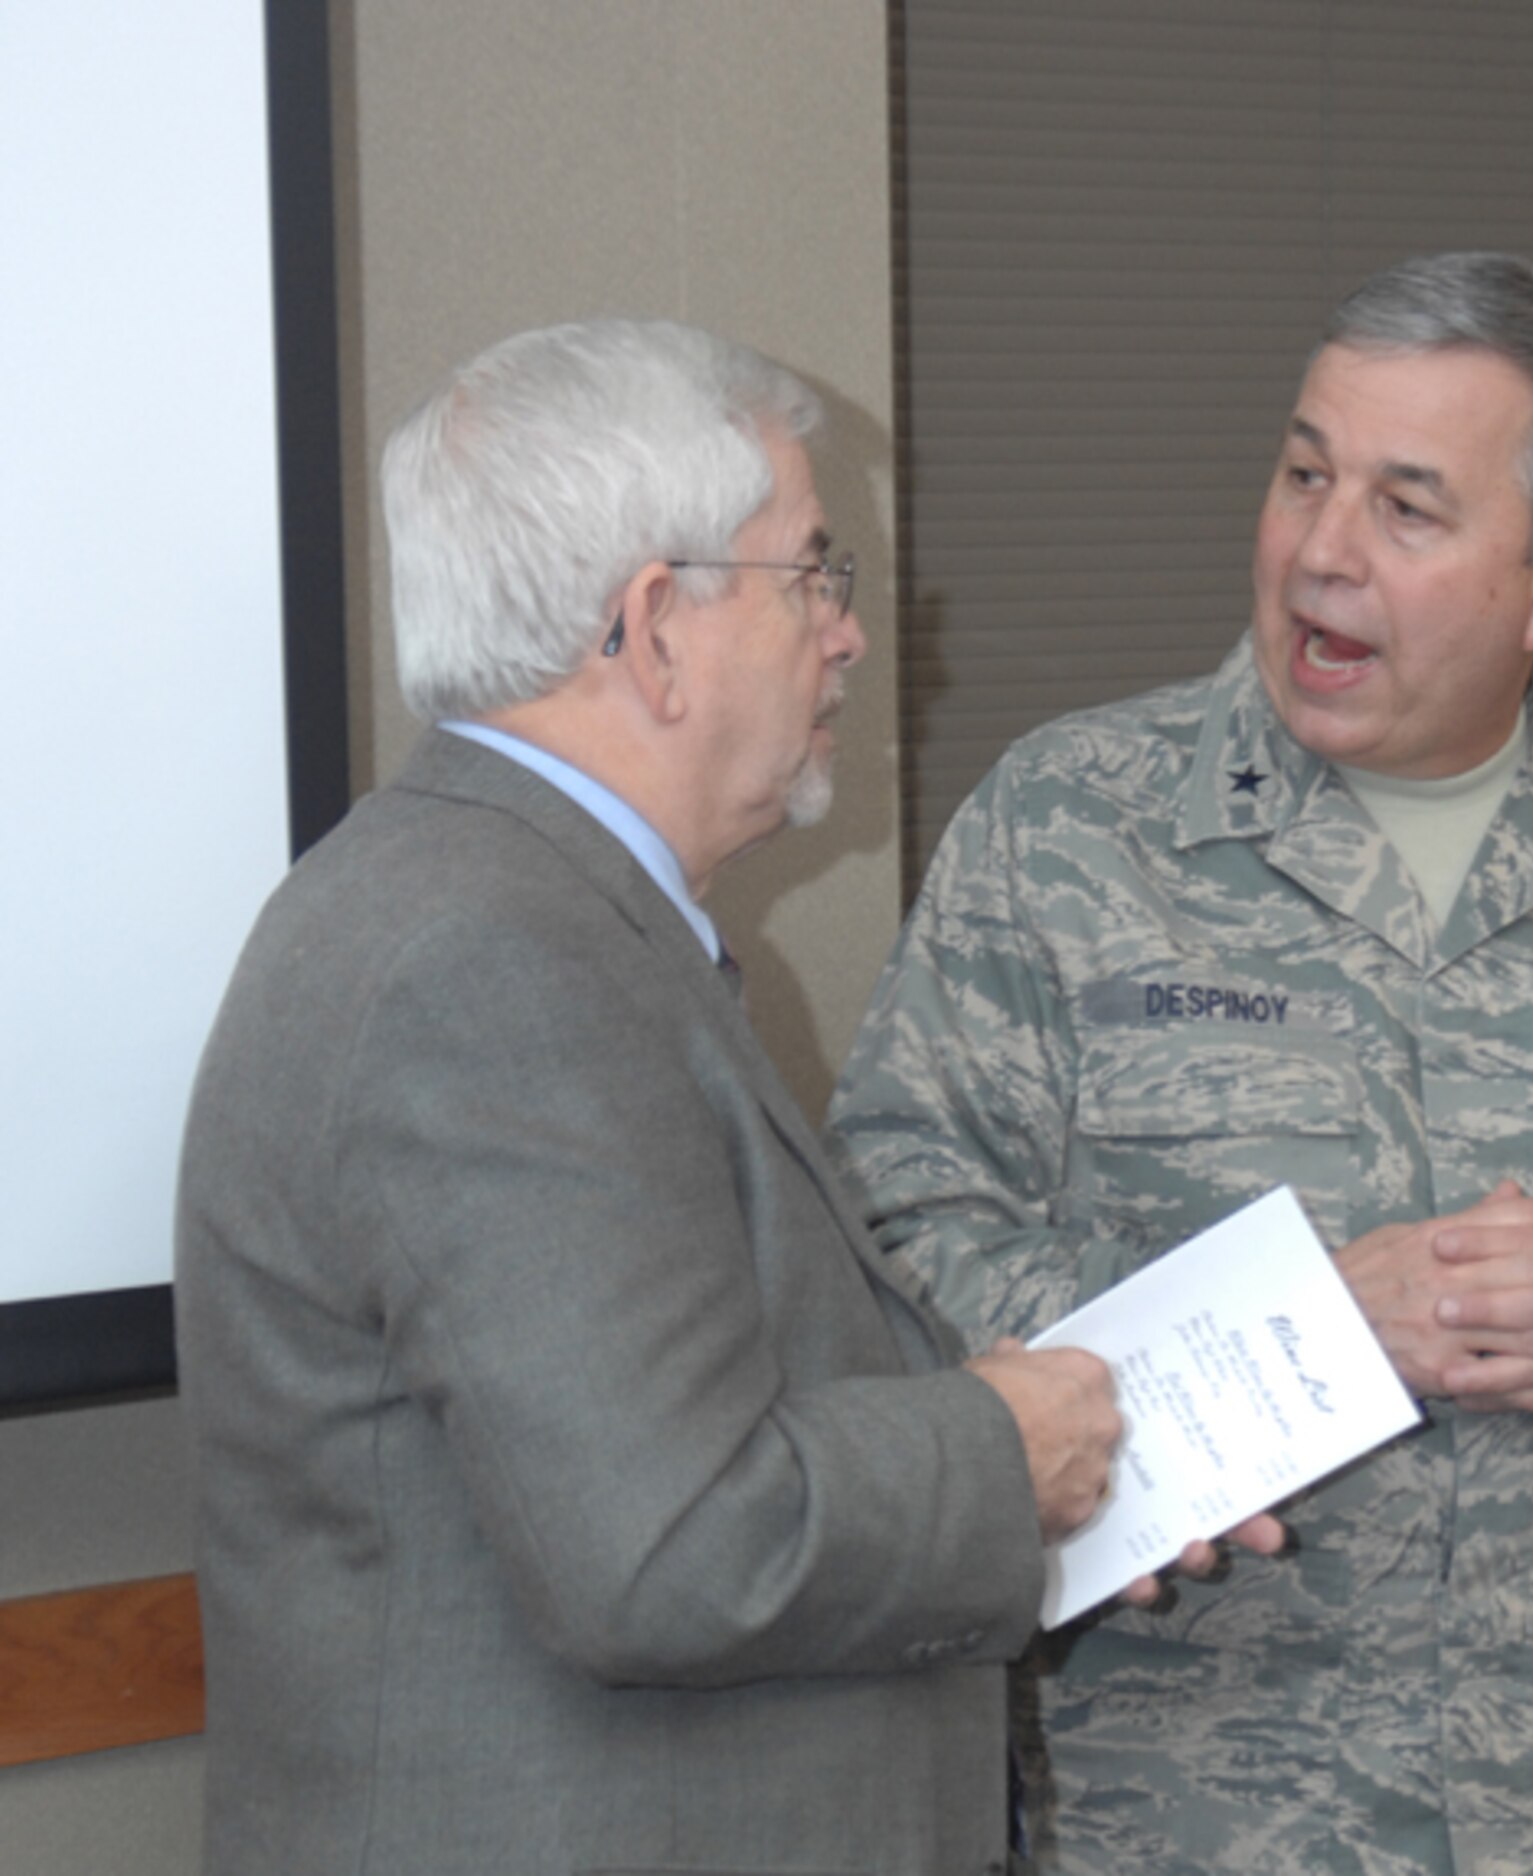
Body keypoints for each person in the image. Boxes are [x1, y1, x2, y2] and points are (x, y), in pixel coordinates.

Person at [827, 253, 1533, 1874]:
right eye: (1305, 475)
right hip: (1179, 1819)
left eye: (1407, 509)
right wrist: (1286, 1327)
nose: (1318, 552)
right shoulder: (1066, 827)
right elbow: (878, 1267)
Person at [174, 318, 1129, 1876]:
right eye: (813, 574)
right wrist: (990, 1453)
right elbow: (672, 1547)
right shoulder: (489, 963)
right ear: (652, 627)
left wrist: (1018, 1446)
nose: (848, 636)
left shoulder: (510, 906)